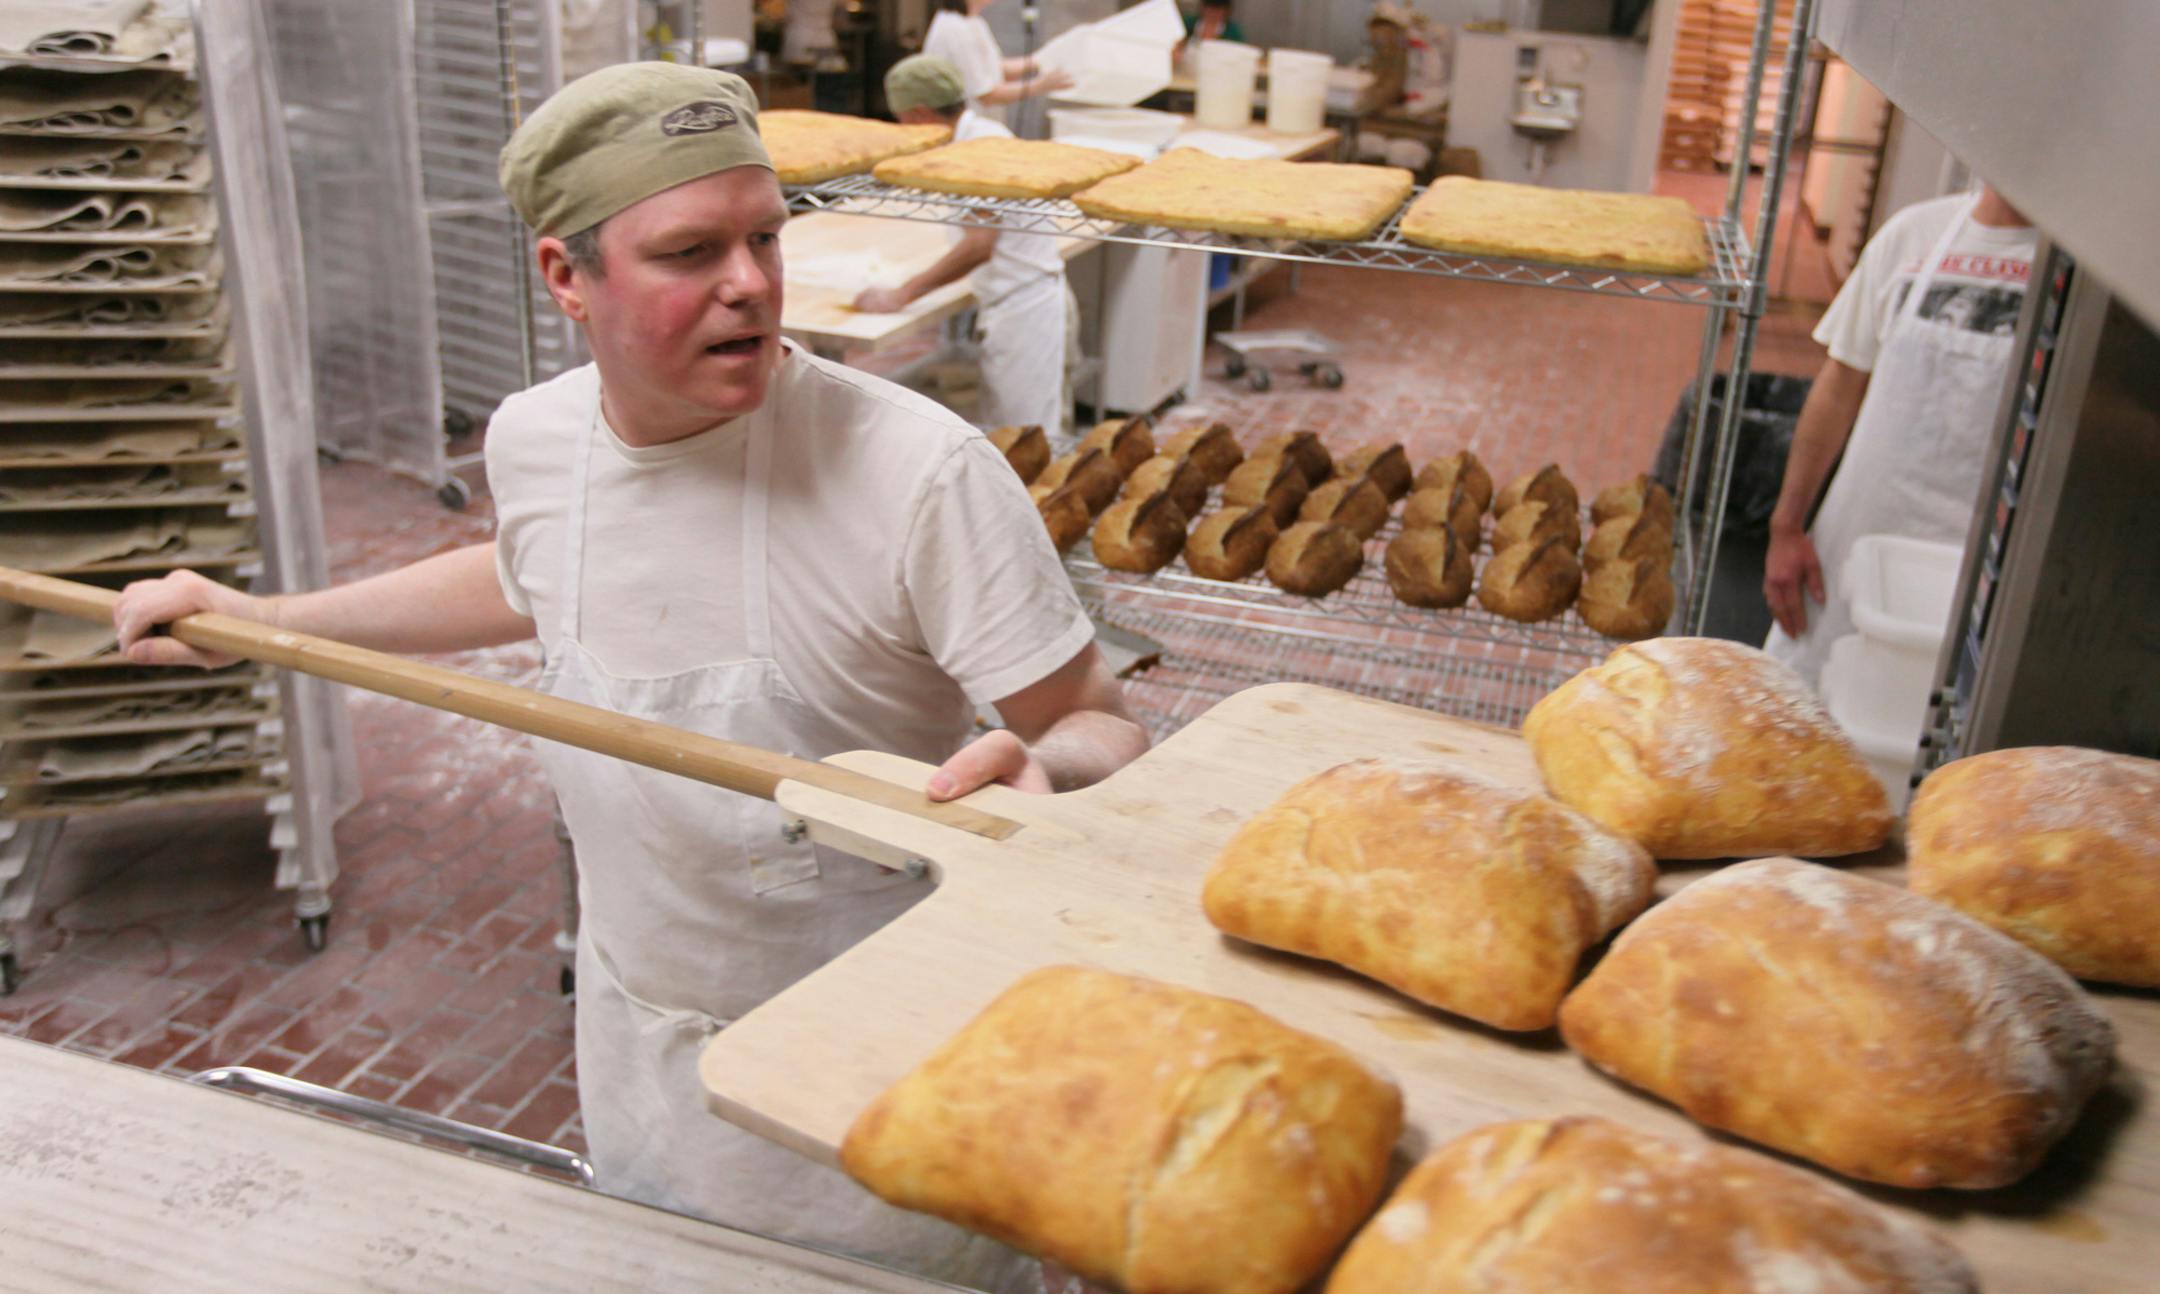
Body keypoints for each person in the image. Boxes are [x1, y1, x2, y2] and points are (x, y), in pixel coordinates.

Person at [112, 63, 1147, 1292]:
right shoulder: (537, 440)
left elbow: (1099, 724)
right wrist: (262, 616)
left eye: (765, 235)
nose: (752, 283)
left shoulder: (917, 473)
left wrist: (1043, 766)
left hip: (889, 1087)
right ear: (567, 277)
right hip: (646, 1058)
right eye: (691, 251)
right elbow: (528, 574)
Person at [1762, 180, 2035, 687]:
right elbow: (1839, 386)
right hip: (1852, 547)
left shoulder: (2088, 276)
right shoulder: (1913, 235)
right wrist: (1787, 525)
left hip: (1981, 573)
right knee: (1799, 714)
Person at [854, 54, 1079, 433]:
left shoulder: (980, 150)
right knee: (1012, 434)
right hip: (1016, 300)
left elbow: (979, 245)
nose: (904, 130)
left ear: (922, 113)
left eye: (904, 120)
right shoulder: (975, 137)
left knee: (1023, 441)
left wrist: (900, 295)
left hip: (1026, 309)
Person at [922, 0, 1072, 127]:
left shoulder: (973, 22)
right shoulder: (954, 29)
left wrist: (1043, 58)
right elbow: (986, 95)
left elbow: (996, 69)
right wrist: (1041, 85)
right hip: (966, 129)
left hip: (984, 124)